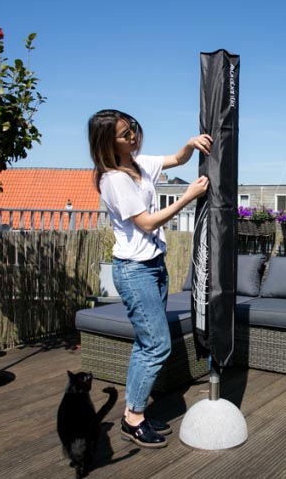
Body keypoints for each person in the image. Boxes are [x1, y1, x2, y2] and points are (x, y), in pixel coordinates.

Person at [87, 109, 211, 448]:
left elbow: (175, 159)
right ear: (107, 142)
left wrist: (189, 145)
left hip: (154, 265)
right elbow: (146, 223)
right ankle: (133, 419)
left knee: (146, 343)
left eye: (134, 129)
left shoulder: (138, 165)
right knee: (157, 344)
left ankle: (134, 411)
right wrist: (187, 198)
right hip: (134, 270)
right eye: (126, 134)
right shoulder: (114, 179)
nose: (133, 136)